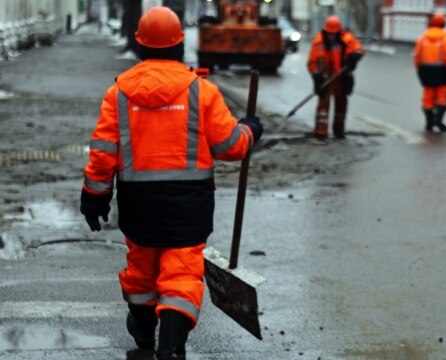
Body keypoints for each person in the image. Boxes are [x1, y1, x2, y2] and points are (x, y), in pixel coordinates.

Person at [79, 7, 262, 360]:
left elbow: (103, 153)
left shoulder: (118, 93)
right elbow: (230, 147)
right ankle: (170, 346)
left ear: (140, 45)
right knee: (181, 274)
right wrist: (250, 130)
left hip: (138, 203)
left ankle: (144, 333)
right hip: (188, 204)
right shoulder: (201, 91)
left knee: (141, 272)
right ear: (180, 46)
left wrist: (94, 197)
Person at [307, 15, 365, 139]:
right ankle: (321, 132)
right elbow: (312, 63)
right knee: (323, 105)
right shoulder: (319, 42)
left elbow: (359, 49)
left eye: (334, 34)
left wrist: (355, 56)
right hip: (325, 78)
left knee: (341, 104)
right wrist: (316, 76)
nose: (331, 36)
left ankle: (339, 131)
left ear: (339, 32)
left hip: (341, 77)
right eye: (329, 33)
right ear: (325, 31)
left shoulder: (347, 39)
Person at [413, 13, 446, 133]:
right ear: (443, 24)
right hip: (442, 72)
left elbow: (417, 58)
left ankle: (429, 122)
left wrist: (419, 71)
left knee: (427, 97)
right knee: (442, 97)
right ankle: (438, 120)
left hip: (425, 71)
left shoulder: (422, 38)